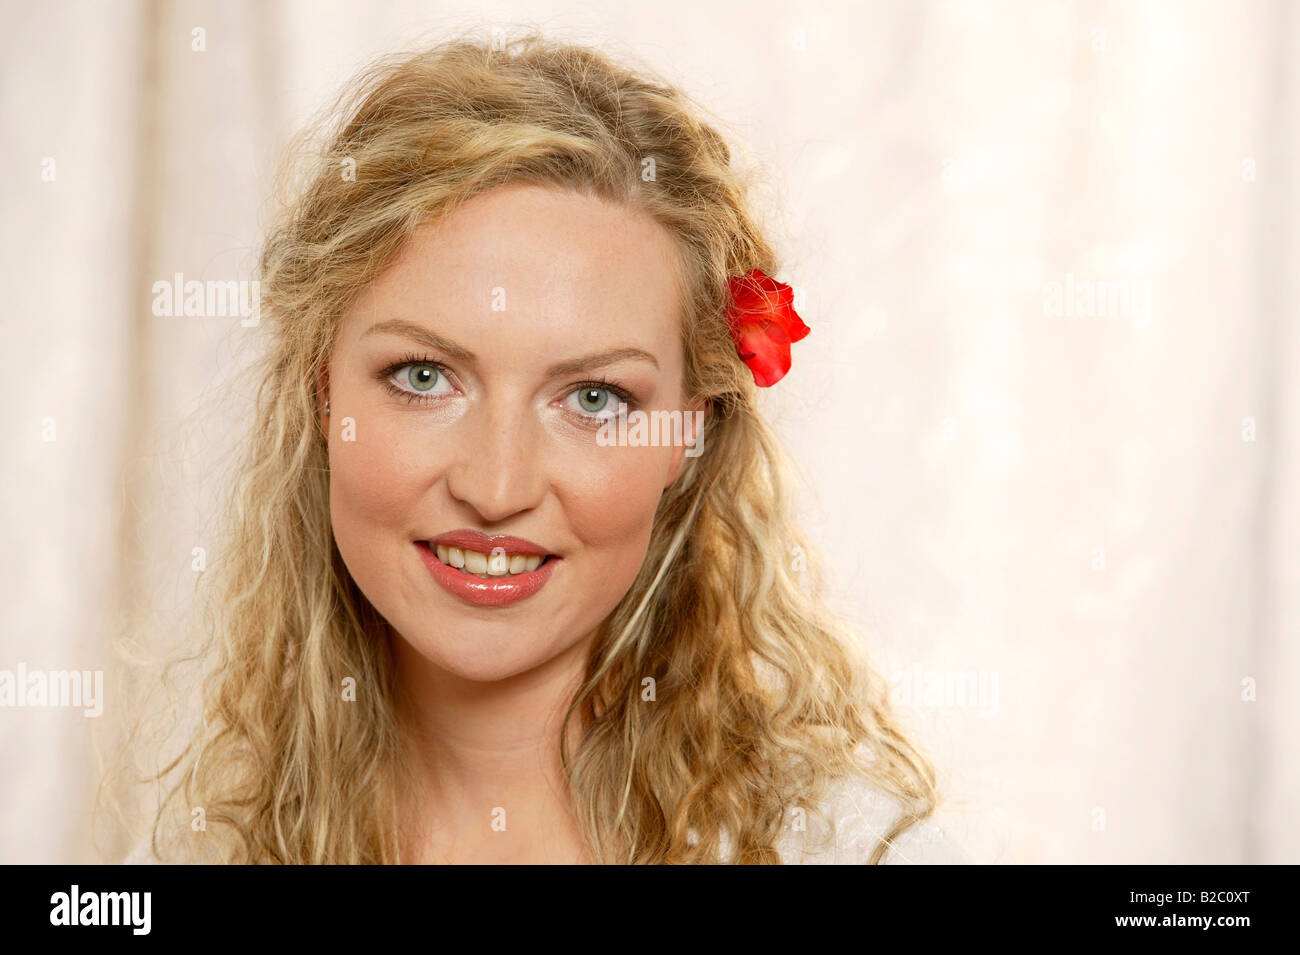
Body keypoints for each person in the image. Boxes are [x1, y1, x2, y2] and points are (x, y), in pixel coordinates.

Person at [122, 30, 968, 865]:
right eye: (423, 376)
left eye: (593, 398)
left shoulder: (856, 853)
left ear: (691, 430)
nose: (496, 487)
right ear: (322, 387)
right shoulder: (197, 858)